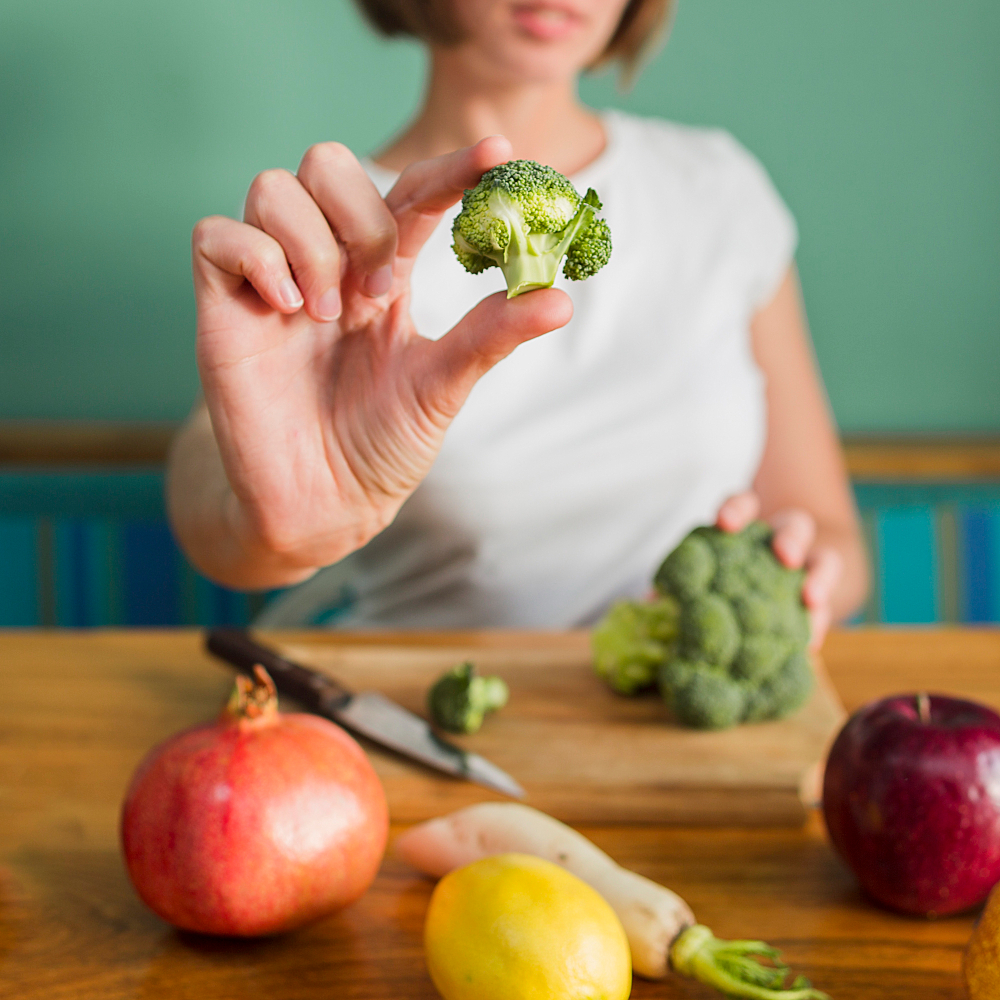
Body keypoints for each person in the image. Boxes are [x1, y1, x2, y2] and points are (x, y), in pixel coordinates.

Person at [167, 0, 868, 639]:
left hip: (671, 731)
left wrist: (799, 580)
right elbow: (213, 494)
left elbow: (832, 534)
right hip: (419, 713)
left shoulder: (717, 189)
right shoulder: (334, 243)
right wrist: (277, 532)